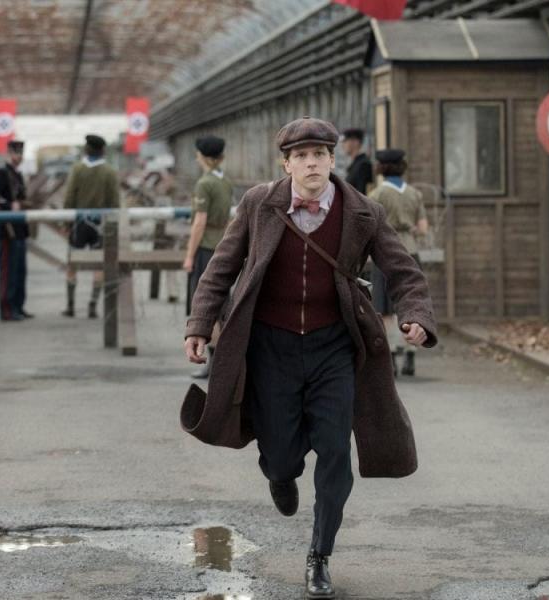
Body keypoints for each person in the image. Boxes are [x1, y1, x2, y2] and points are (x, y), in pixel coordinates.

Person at [182, 117, 436, 599]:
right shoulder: (260, 204)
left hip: (333, 347)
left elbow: (403, 269)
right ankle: (280, 474)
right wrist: (199, 324)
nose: (311, 163)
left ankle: (320, 554)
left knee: (336, 450)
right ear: (286, 163)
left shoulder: (363, 211)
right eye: (301, 156)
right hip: (271, 345)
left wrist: (415, 313)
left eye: (319, 154)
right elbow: (221, 268)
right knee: (279, 454)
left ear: (332, 159)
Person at [368, 149, 429, 377]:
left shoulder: (377, 195)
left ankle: (391, 354)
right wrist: (410, 228)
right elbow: (423, 228)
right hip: (411, 252)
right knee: (410, 304)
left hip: (384, 255)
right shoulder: (415, 194)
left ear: (381, 168)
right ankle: (410, 354)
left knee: (384, 309)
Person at [182, 135, 233, 379]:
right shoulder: (225, 182)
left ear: (202, 157)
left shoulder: (204, 184)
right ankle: (222, 363)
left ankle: (214, 365)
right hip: (221, 246)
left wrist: (189, 256)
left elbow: (199, 222)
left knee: (205, 307)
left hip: (205, 249)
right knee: (221, 307)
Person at [62, 134, 120, 319]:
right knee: (99, 266)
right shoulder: (110, 172)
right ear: (102, 150)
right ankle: (93, 305)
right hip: (100, 226)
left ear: (86, 150)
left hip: (79, 223)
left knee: (72, 263)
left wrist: (66, 223)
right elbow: (114, 202)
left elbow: (69, 197)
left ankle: (70, 306)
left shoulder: (77, 169)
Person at [0, 139, 33, 321]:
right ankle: (6, 309)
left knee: (20, 271)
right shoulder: (2, 174)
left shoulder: (17, 175)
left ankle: (18, 306)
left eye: (20, 154)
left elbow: (21, 199)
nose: (17, 157)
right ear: (8, 154)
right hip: (6, 230)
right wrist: (7, 205)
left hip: (19, 230)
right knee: (8, 272)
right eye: (14, 153)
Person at [340, 128, 373, 195]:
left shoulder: (363, 165)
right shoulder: (356, 164)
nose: (342, 145)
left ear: (355, 142)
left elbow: (362, 193)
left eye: (345, 141)